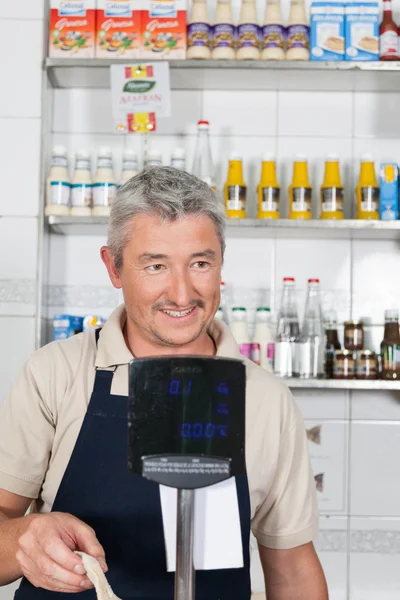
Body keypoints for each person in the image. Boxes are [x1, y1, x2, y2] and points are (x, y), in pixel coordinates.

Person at [0, 166, 328, 600]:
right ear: (113, 267)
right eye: (155, 265)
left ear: (221, 264)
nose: (180, 293)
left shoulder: (265, 399)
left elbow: (292, 569)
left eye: (200, 263)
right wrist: (26, 538)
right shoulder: (55, 375)